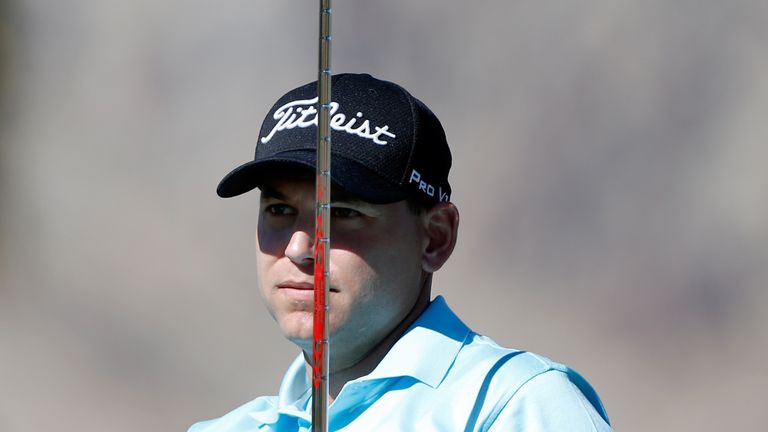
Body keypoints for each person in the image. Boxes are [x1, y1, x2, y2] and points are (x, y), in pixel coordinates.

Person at [189, 73, 612, 431]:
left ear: (435, 237)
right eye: (279, 210)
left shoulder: (513, 405)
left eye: (341, 212)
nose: (300, 247)